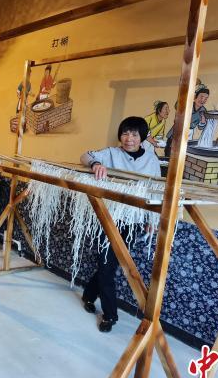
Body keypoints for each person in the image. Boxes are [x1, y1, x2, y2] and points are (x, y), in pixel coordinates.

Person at [79, 117, 161, 332]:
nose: (128, 138)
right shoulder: (112, 153)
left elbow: (156, 190)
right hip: (109, 216)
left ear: (142, 137)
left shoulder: (151, 160)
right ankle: (110, 315)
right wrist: (96, 164)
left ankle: (88, 295)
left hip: (133, 220)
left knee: (110, 265)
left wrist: (151, 219)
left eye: (134, 134)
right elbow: (85, 155)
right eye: (125, 133)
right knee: (106, 265)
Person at [164, 82, 210, 157]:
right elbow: (177, 105)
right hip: (177, 132)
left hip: (189, 134)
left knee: (182, 157)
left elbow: (200, 127)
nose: (203, 100)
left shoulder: (203, 110)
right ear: (195, 96)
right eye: (201, 97)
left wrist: (203, 120)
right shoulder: (187, 104)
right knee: (170, 156)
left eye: (206, 98)